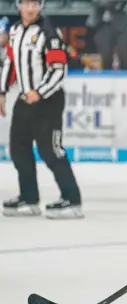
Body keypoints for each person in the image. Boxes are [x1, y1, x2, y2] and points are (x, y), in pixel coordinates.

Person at [0, 0, 83, 219]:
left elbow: (59, 69)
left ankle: (72, 200)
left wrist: (40, 92)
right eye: (26, 3)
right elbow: (10, 62)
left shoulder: (49, 33)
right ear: (18, 6)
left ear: (41, 6)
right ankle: (29, 198)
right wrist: (2, 91)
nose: (30, 8)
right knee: (18, 148)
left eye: (35, 3)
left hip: (48, 101)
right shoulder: (16, 30)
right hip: (24, 98)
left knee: (51, 150)